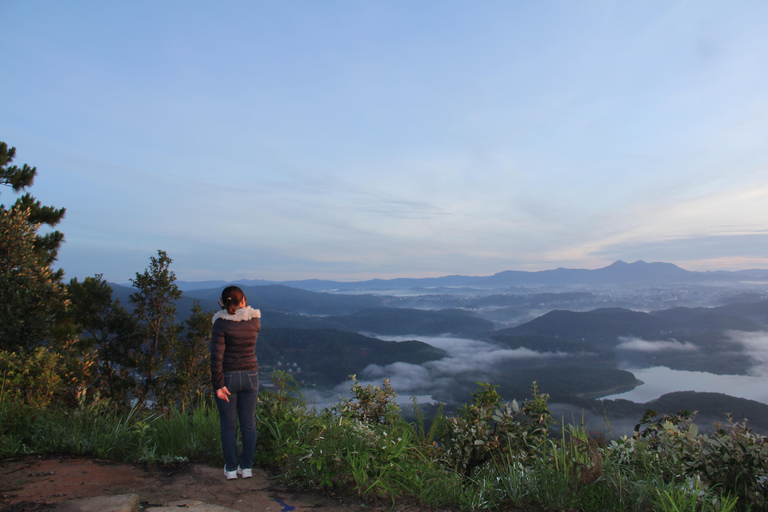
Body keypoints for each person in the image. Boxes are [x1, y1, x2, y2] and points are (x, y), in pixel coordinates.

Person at [210, 285, 261, 480]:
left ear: (223, 302)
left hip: (228, 378)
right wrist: (235, 305)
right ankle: (246, 467)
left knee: (228, 426)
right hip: (250, 376)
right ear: (244, 300)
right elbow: (243, 313)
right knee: (248, 424)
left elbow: (216, 357)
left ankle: (231, 468)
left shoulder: (221, 324)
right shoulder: (255, 321)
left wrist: (218, 384)